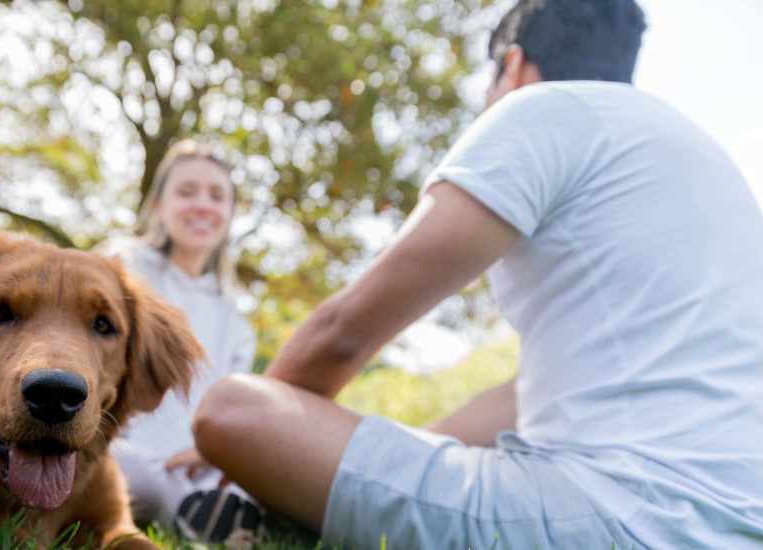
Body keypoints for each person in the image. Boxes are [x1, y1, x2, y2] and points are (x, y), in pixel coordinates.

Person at [191, 1, 763, 548]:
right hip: (741, 522)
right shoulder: (699, 160)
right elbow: (526, 398)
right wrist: (353, 455)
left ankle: (272, 518)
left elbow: (344, 330)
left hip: (615, 516)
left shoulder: (544, 109)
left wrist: (255, 467)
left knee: (233, 406)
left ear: (511, 65)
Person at [106, 139, 261, 542]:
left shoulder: (234, 314)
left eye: (216, 196)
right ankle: (191, 512)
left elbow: (233, 403)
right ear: (159, 204)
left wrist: (212, 452)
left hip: (200, 456)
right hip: (123, 443)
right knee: (125, 470)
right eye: (187, 192)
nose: (202, 206)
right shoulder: (123, 269)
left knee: (257, 473)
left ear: (229, 212)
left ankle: (216, 506)